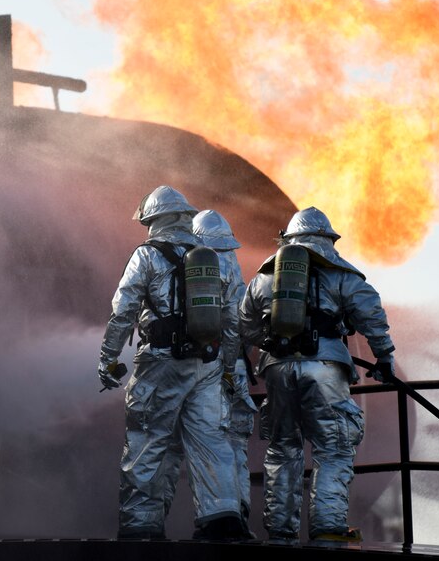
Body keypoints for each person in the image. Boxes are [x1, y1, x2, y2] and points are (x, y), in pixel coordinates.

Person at [238, 206, 396, 543]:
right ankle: (327, 527)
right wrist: (384, 358)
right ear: (328, 240)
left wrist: (267, 346)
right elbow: (371, 314)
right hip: (324, 368)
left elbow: (245, 324)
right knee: (334, 447)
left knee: (282, 448)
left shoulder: (266, 276)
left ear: (288, 239)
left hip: (277, 369)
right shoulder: (340, 272)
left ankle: (280, 531)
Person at [97, 185, 246, 540]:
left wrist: (108, 359)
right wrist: (225, 366)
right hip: (207, 365)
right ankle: (222, 519)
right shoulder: (214, 257)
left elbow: (123, 311)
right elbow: (232, 319)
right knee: (211, 440)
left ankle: (141, 526)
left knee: (148, 440)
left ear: (153, 220)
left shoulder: (147, 255)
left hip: (162, 363)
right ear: (185, 218)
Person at [157, 209, 258, 540]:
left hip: (192, 367)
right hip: (229, 368)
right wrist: (231, 368)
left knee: (171, 445)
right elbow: (238, 322)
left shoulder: (188, 264)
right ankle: (235, 517)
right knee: (230, 447)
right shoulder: (232, 266)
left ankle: (149, 523)